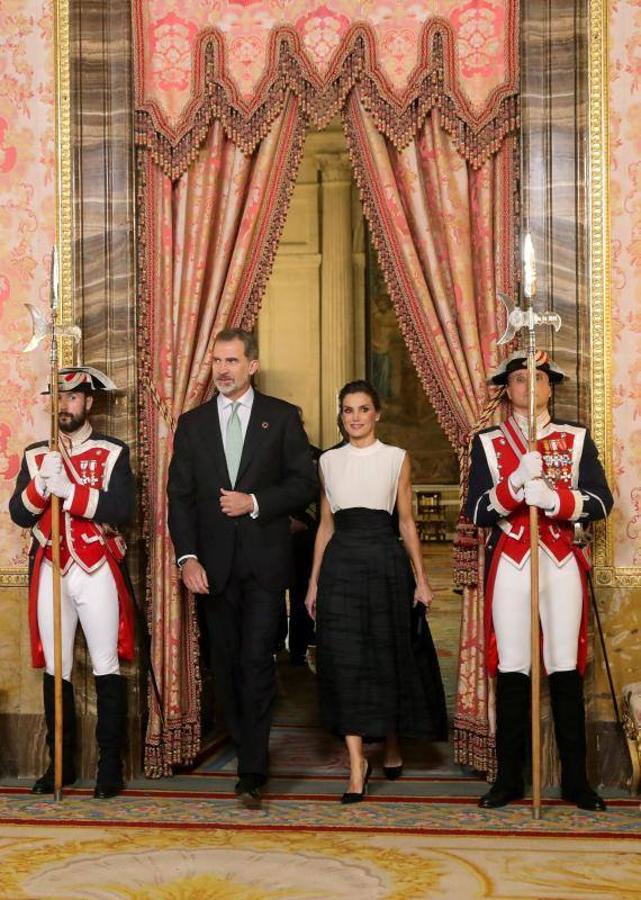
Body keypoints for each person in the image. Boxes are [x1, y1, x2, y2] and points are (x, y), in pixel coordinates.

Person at [167, 328, 318, 809]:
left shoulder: (282, 418)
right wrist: (187, 558)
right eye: (217, 361)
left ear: (252, 365)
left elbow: (304, 485)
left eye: (232, 361)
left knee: (257, 663)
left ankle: (253, 768)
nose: (223, 370)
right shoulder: (191, 425)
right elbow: (180, 499)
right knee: (225, 666)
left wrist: (254, 501)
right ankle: (242, 737)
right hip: (212, 568)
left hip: (265, 566)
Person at [465, 350, 614, 811]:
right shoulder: (487, 443)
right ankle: (508, 779)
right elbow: (474, 511)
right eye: (518, 380)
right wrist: (512, 488)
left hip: (560, 561)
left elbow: (602, 501)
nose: (529, 387)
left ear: (551, 387)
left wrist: (556, 498)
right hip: (510, 561)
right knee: (513, 669)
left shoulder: (575, 437)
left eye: (538, 379)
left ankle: (576, 782)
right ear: (506, 390)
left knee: (565, 668)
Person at [305, 379, 447, 803]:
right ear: (341, 415)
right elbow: (325, 526)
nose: (355, 417)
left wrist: (421, 577)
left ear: (377, 413)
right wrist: (313, 583)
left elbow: (405, 522)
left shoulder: (396, 458)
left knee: (386, 654)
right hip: (341, 566)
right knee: (346, 660)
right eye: (348, 410)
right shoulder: (328, 462)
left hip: (385, 562)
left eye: (363, 409)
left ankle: (391, 740)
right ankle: (356, 765)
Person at [9, 366, 135, 799]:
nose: (65, 405)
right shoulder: (35, 453)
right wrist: (41, 487)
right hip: (50, 567)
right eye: (59, 399)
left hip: (95, 565)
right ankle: (57, 764)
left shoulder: (113, 451)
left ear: (89, 403)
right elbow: (20, 515)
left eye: (74, 398)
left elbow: (121, 509)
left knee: (105, 665)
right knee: (55, 668)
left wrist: (72, 491)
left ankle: (109, 768)